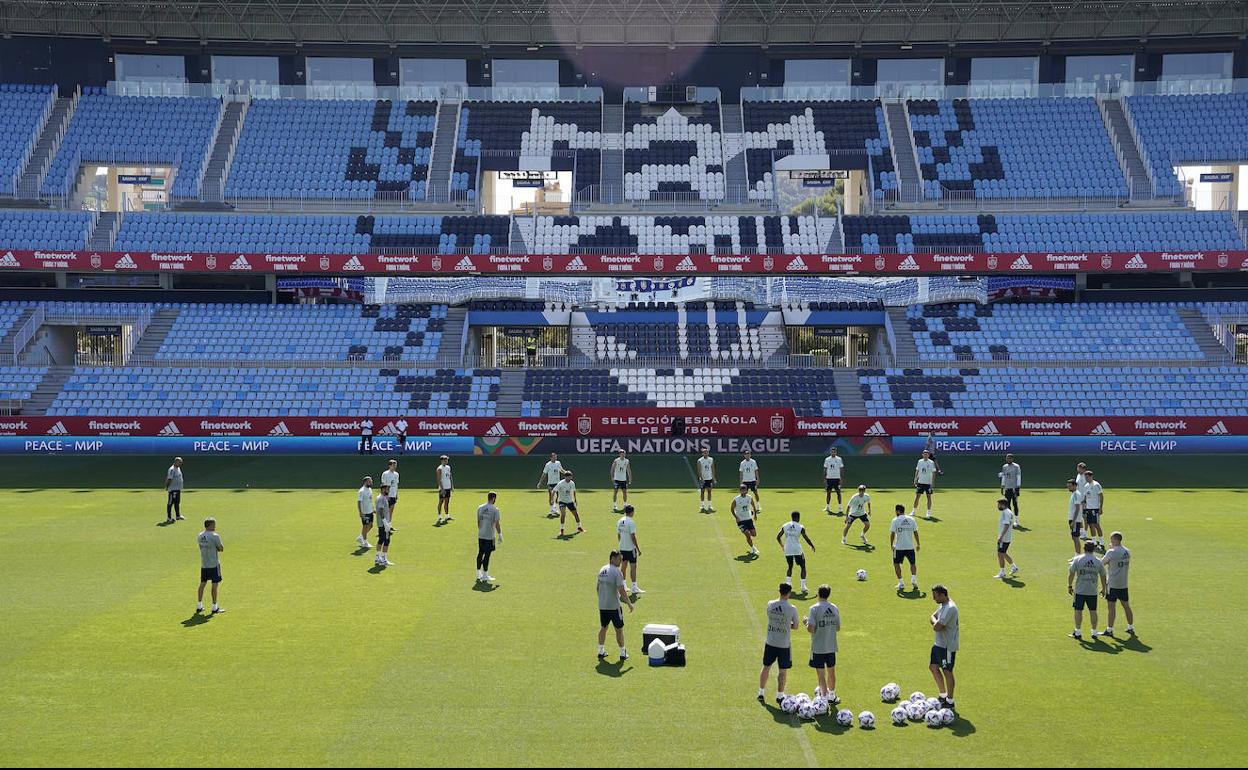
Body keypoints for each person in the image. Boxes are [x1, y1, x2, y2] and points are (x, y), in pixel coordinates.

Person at [758, 582, 800, 705]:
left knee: (766, 667)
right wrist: (788, 624)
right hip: (783, 644)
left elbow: (770, 617)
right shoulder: (792, 608)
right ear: (789, 593)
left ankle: (761, 693)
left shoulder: (770, 604)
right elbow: (796, 626)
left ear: (779, 591)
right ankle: (780, 696)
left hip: (770, 641)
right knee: (783, 671)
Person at [804, 584, 841, 704]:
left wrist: (806, 622)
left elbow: (811, 629)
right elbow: (838, 627)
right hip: (831, 645)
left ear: (818, 594)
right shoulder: (834, 607)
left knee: (821, 674)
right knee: (831, 672)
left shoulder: (814, 608)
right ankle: (832, 695)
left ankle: (823, 700)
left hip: (818, 647)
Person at [596, 551, 635, 662]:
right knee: (619, 629)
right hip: (614, 607)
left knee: (604, 627)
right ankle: (623, 653)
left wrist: (602, 599)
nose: (620, 561)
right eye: (619, 559)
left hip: (603, 606)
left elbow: (597, 588)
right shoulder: (617, 572)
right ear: (612, 558)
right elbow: (621, 590)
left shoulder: (602, 570)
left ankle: (600, 651)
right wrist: (629, 603)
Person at [1068, 540, 1108, 639]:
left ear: (1084, 548)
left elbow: (1071, 573)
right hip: (1092, 591)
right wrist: (1104, 589)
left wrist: (1069, 585)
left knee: (1078, 610)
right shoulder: (1098, 561)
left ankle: (1077, 632)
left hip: (1080, 591)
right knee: (1093, 611)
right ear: (1094, 549)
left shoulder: (1077, 559)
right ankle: (1094, 632)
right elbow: (1103, 576)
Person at [928, 584, 958, 711]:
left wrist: (936, 623)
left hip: (947, 647)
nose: (933, 599)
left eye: (935, 596)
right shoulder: (943, 605)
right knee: (933, 667)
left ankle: (950, 701)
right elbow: (932, 617)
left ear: (942, 595)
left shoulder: (949, 608)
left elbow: (937, 627)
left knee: (947, 671)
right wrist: (936, 622)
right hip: (938, 644)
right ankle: (942, 695)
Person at [1101, 531, 1134, 636]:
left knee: (1111, 607)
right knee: (1126, 606)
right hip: (1123, 584)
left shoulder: (1111, 552)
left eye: (1111, 539)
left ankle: (1109, 630)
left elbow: (1102, 563)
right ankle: (1130, 627)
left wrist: (1110, 550)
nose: (1110, 541)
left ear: (1115, 540)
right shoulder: (1127, 551)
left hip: (1113, 584)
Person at [777, 511, 816, 594]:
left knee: (790, 566)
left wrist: (782, 546)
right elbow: (806, 538)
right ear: (798, 517)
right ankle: (803, 587)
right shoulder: (801, 527)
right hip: (797, 549)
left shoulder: (785, 525)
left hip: (788, 549)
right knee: (803, 567)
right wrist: (811, 545)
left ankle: (788, 585)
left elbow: (778, 537)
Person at [196, 517, 225, 615]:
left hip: (204, 564)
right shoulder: (214, 536)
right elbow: (221, 548)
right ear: (210, 525)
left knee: (202, 584)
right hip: (214, 564)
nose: (215, 526)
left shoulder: (200, 535)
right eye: (214, 524)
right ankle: (214, 607)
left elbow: (200, 547)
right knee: (214, 585)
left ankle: (199, 606)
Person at [889, 504, 920, 591]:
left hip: (899, 548)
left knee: (896, 564)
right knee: (912, 563)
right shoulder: (911, 519)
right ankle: (913, 578)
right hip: (910, 547)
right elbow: (916, 532)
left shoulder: (895, 520)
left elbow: (892, 533)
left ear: (898, 511)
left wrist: (891, 544)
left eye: (895, 511)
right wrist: (918, 544)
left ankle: (901, 583)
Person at [616, 504, 644, 595]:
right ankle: (634, 587)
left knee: (623, 567)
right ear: (632, 512)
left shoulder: (619, 521)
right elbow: (633, 536)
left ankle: (623, 585)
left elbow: (619, 534)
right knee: (633, 567)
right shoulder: (631, 522)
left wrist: (621, 544)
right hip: (630, 548)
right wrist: (638, 548)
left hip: (622, 548)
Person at [476, 492, 502, 583]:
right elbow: (497, 523)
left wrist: (481, 530)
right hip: (489, 536)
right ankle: (485, 575)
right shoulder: (495, 510)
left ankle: (478, 573)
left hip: (481, 534)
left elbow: (478, 522)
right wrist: (500, 534)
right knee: (487, 555)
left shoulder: (480, 508)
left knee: (480, 553)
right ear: (494, 498)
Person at [994, 497, 1019, 579]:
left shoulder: (1005, 513)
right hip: (1006, 537)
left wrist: (1001, 536)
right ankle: (1014, 567)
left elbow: (1006, 524)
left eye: (999, 504)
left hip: (1004, 538)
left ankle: (1002, 572)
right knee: (1003, 553)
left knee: (1000, 554)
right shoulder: (1008, 512)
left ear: (1003, 505)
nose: (998, 506)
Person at [731, 483, 760, 555]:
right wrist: (736, 517)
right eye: (742, 490)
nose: (743, 492)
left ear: (747, 491)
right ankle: (753, 549)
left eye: (745, 490)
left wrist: (755, 515)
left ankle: (749, 539)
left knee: (754, 534)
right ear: (740, 491)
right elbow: (732, 509)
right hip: (740, 520)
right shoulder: (736, 499)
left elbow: (753, 506)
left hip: (749, 519)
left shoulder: (749, 497)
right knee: (747, 534)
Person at [554, 470, 584, 537]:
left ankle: (579, 527)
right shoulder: (560, 483)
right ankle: (562, 530)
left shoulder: (572, 483)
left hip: (569, 501)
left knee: (576, 514)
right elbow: (554, 490)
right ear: (565, 477)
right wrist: (554, 499)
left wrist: (575, 499)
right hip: (562, 501)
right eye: (568, 477)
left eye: (570, 477)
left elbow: (574, 491)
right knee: (563, 514)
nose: (569, 478)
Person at [536, 452, 565, 517]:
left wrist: (566, 473)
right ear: (551, 457)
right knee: (551, 496)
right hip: (550, 484)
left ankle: (555, 508)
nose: (555, 458)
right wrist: (540, 482)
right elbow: (544, 474)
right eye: (554, 457)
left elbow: (561, 469)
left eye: (556, 457)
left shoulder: (558, 463)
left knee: (559, 496)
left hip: (558, 483)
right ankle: (552, 510)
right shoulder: (548, 465)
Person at [1082, 470, 1105, 549]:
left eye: (1087, 477)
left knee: (1096, 525)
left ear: (1091, 476)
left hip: (1095, 508)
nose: (1086, 478)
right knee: (1090, 524)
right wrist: (1084, 505)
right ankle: (1094, 541)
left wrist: (1100, 507)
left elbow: (1101, 496)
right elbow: (1085, 496)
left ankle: (1101, 541)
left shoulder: (1096, 485)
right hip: (1088, 508)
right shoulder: (1086, 486)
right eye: (1085, 477)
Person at [912, 449, 938, 519]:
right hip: (920, 482)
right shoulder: (920, 461)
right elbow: (917, 470)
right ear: (922, 455)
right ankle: (913, 511)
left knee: (928, 497)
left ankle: (928, 512)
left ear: (928, 455)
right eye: (924, 454)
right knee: (917, 496)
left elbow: (933, 472)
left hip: (928, 483)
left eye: (927, 454)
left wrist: (932, 483)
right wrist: (915, 479)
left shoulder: (931, 462)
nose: (925, 455)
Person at [374, 483, 394, 567]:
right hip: (383, 523)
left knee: (381, 539)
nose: (388, 491)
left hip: (381, 522)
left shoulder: (380, 497)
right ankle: (384, 559)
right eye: (387, 489)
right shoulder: (381, 498)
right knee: (386, 540)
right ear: (383, 489)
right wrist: (385, 522)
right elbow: (381, 510)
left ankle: (378, 557)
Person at [999, 453, 1022, 527]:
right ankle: (1010, 520)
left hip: (1014, 488)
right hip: (1007, 488)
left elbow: (1018, 476)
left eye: (1009, 458)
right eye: (1007, 458)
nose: (1008, 459)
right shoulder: (1004, 467)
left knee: (1015, 504)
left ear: (1012, 459)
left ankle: (1016, 521)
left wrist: (1018, 487)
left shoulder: (1016, 466)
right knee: (1007, 504)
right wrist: (1002, 486)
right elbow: (1004, 477)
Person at [1066, 478, 1085, 556]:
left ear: (1075, 486)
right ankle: (1076, 555)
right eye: (1068, 486)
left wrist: (1073, 521)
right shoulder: (1074, 494)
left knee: (1075, 538)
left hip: (1075, 520)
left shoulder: (1076, 494)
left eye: (1070, 486)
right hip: (1073, 519)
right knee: (1074, 537)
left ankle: (1078, 556)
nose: (1068, 488)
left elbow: (1077, 508)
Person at [823, 448, 844, 515]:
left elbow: (841, 468)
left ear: (836, 452)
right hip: (829, 478)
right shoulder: (827, 459)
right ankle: (827, 507)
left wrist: (841, 478)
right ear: (830, 452)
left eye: (834, 452)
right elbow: (825, 468)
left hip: (837, 478)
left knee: (838, 493)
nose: (833, 453)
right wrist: (825, 478)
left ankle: (840, 508)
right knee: (828, 493)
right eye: (832, 452)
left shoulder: (839, 459)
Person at [165, 456, 185, 523]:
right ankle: (169, 518)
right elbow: (169, 479)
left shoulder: (178, 468)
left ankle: (178, 516)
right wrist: (167, 487)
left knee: (177, 503)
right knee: (170, 503)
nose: (181, 463)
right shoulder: (172, 469)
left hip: (177, 489)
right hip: (173, 490)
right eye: (179, 462)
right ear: (176, 462)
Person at [356, 476, 374, 549]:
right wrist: (360, 512)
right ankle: (365, 542)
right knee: (365, 526)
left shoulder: (370, 489)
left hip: (370, 511)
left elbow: (370, 500)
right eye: (369, 481)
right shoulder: (361, 491)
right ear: (365, 482)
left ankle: (361, 537)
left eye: (371, 481)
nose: (371, 482)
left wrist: (373, 508)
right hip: (365, 512)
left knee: (371, 525)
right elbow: (359, 502)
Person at [435, 455, 454, 525]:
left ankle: (447, 516)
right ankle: (439, 516)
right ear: (442, 460)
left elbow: (450, 476)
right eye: (445, 460)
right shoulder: (439, 469)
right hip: (443, 488)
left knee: (447, 501)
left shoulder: (448, 467)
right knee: (441, 502)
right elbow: (439, 479)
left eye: (447, 460)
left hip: (448, 487)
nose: (447, 461)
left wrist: (452, 486)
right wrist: (442, 488)